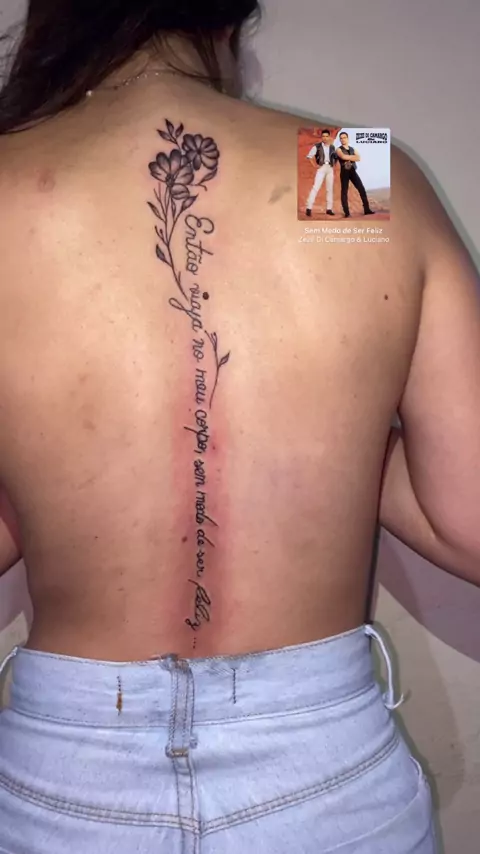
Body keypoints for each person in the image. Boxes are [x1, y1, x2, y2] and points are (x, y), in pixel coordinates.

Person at [0, 2, 479, 852]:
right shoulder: (338, 170)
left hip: (65, 780)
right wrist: (340, 439)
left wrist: (46, 479)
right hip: (322, 775)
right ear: (230, 19)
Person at [336, 130, 374, 217]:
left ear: (348, 138)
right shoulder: (338, 149)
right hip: (344, 171)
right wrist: (353, 157)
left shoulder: (352, 149)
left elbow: (358, 158)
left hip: (352, 170)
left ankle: (367, 209)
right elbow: (343, 156)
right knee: (344, 191)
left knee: (361, 188)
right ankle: (347, 213)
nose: (343, 139)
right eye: (341, 138)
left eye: (344, 138)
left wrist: (349, 157)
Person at [305, 127, 337, 216]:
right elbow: (309, 156)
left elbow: (334, 157)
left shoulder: (332, 147)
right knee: (315, 187)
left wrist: (334, 164)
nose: (325, 138)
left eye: (326, 136)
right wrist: (315, 165)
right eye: (323, 136)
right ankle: (308, 208)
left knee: (329, 189)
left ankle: (329, 209)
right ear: (321, 137)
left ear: (329, 137)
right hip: (321, 167)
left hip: (329, 168)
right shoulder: (317, 146)